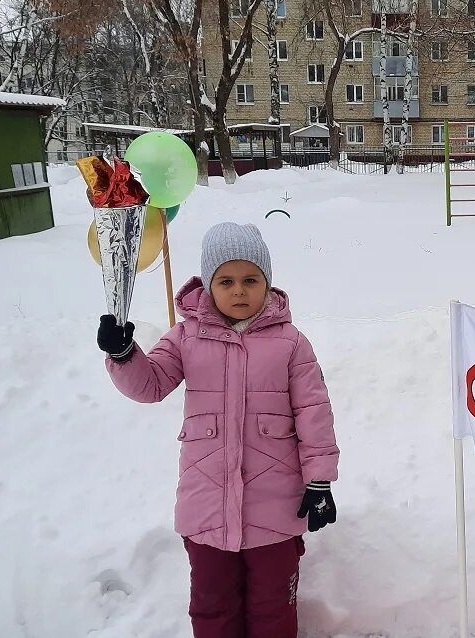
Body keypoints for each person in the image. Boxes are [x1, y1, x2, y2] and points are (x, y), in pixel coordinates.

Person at [96, 222, 339, 638]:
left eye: (250, 280)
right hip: (207, 505)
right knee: (212, 609)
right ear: (208, 285)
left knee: (274, 610)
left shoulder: (291, 343)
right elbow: (150, 384)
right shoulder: (186, 336)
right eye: (225, 281)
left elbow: (313, 412)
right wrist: (124, 355)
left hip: (276, 510)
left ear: (268, 283)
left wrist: (319, 482)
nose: (239, 291)